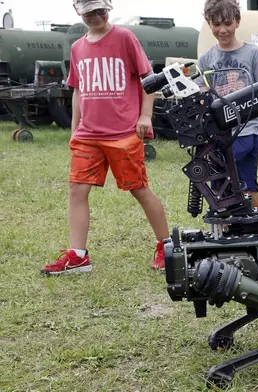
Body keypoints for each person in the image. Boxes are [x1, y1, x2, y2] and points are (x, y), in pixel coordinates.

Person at [40, 0, 170, 275]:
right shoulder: (77, 48)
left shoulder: (125, 37)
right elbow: (77, 90)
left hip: (123, 133)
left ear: (108, 9)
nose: (96, 16)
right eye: (89, 11)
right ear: (79, 11)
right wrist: (75, 129)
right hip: (88, 135)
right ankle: (77, 256)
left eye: (101, 10)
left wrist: (145, 117)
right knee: (77, 190)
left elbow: (149, 79)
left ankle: (166, 246)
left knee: (139, 189)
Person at [196, 0, 258, 210]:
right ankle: (225, 233)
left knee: (247, 188)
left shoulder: (253, 55)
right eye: (216, 25)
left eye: (227, 23)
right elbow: (201, 95)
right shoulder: (206, 59)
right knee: (219, 189)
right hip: (219, 133)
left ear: (237, 22)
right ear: (209, 24)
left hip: (246, 130)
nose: (222, 30)